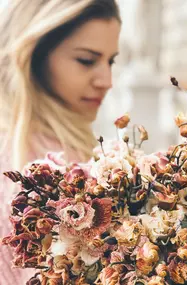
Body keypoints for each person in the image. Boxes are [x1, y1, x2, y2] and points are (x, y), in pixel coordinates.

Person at [0, 0, 121, 284]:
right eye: (86, 60)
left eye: (110, 60)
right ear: (36, 55)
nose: (106, 80)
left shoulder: (72, 148)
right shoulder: (39, 170)